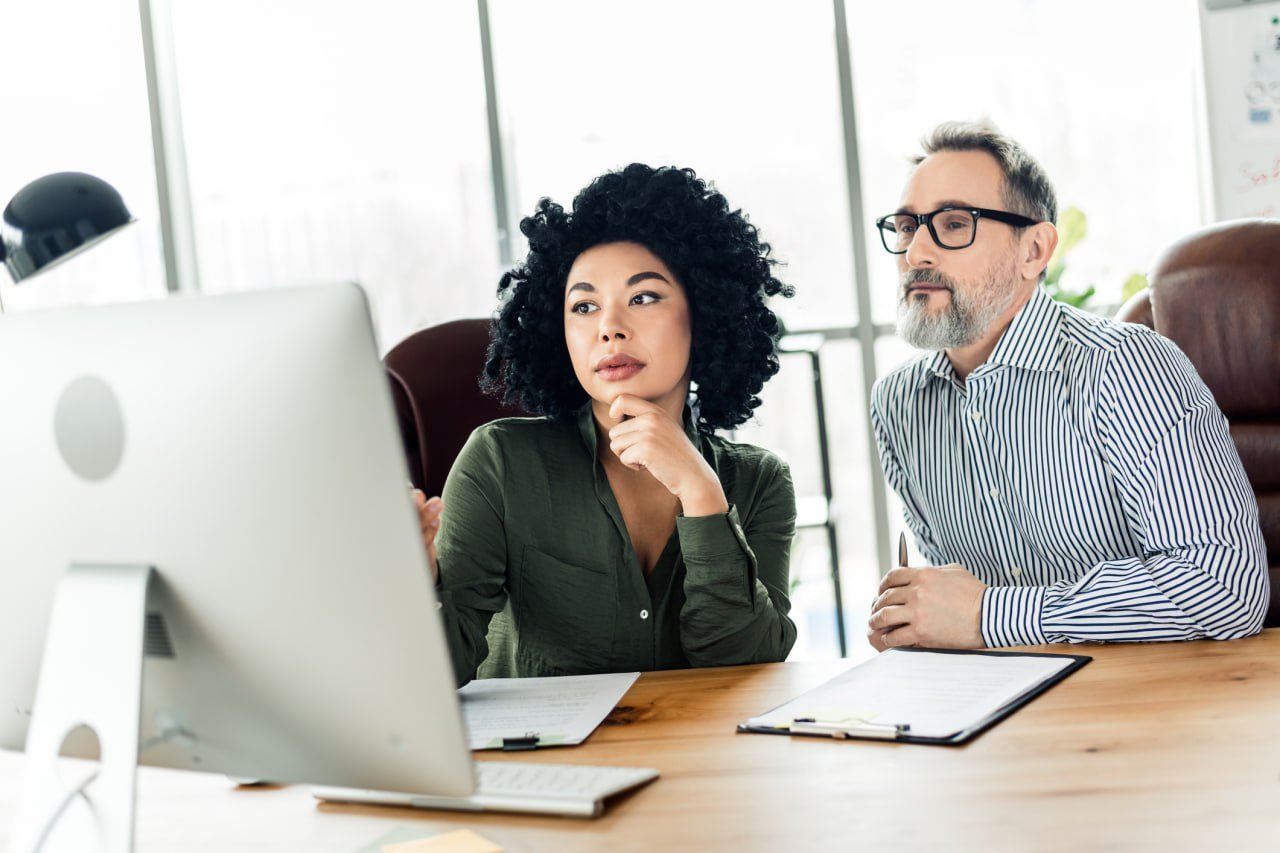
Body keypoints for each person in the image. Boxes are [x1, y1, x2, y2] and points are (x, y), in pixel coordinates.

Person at [867, 120, 1268, 651]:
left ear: (1034, 250)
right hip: (1004, 707)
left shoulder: (1127, 369)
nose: (915, 251)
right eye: (905, 226)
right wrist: (919, 619)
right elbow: (955, 597)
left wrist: (990, 615)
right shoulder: (898, 404)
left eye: (954, 223)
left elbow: (1226, 590)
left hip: (1151, 704)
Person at [415, 163, 798, 684]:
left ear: (705, 312)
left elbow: (746, 669)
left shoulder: (759, 482)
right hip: (547, 764)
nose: (609, 329)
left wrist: (701, 495)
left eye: (642, 298)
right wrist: (413, 582)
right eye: (584, 306)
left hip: (704, 760)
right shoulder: (500, 463)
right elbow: (439, 670)